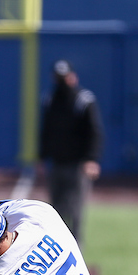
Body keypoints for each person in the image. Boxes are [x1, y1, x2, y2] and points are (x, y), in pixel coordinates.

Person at [38, 59, 104, 247]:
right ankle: (57, 250)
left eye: (65, 77)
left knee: (75, 210)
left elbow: (94, 131)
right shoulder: (50, 99)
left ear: (73, 77)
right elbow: (46, 131)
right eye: (59, 78)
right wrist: (41, 157)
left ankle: (76, 251)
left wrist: (91, 159)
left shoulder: (84, 100)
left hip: (78, 164)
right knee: (56, 211)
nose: (62, 82)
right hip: (57, 163)